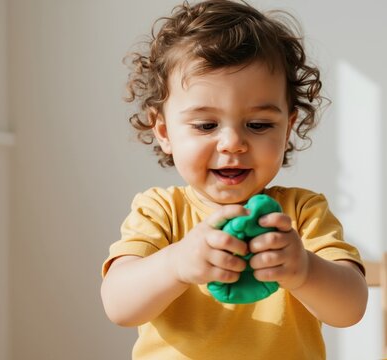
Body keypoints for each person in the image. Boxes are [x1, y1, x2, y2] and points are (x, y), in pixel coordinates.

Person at [100, 1, 368, 358]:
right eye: (206, 125)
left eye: (258, 125)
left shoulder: (301, 213)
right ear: (163, 131)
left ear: (288, 128)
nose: (233, 143)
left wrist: (304, 270)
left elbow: (350, 309)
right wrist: (177, 263)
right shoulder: (160, 211)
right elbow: (119, 306)